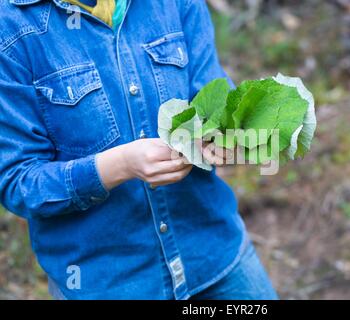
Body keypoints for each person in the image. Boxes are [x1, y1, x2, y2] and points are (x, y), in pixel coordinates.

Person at [0, 0, 278, 300]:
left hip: (214, 256)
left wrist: (226, 135)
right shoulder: (12, 25)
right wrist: (119, 166)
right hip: (110, 285)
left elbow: (213, 95)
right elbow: (17, 181)